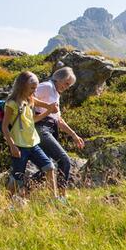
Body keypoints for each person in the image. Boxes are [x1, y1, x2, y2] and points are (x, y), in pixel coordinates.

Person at [1, 71, 59, 201]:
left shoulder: (29, 99)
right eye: (32, 87)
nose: (34, 90)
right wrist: (12, 146)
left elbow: (34, 117)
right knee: (17, 178)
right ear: (22, 86)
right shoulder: (12, 103)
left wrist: (49, 108)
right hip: (19, 146)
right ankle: (6, 202)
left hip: (33, 143)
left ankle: (53, 199)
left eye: (36, 87)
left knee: (49, 167)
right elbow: (5, 127)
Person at [33, 66, 85, 199]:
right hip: (40, 128)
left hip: (50, 129)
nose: (67, 87)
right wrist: (46, 108)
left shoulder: (56, 93)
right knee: (64, 160)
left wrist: (74, 135)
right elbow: (28, 98)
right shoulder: (46, 87)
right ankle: (61, 197)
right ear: (58, 78)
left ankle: (25, 191)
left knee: (47, 165)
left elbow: (58, 120)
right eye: (66, 83)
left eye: (70, 85)